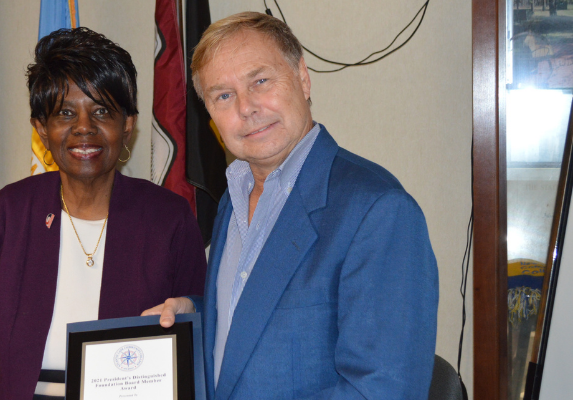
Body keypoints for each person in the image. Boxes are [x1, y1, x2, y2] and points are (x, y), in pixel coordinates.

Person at [143, 12, 439, 399]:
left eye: (260, 81)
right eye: (223, 95)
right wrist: (196, 314)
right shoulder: (234, 198)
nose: (246, 107)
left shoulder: (378, 210)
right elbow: (259, 319)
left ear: (302, 76)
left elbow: (381, 390)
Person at [0, 28, 207, 400]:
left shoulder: (169, 218)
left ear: (127, 125)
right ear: (41, 130)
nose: (84, 128)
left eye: (102, 111)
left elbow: (198, 320)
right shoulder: (7, 214)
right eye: (65, 113)